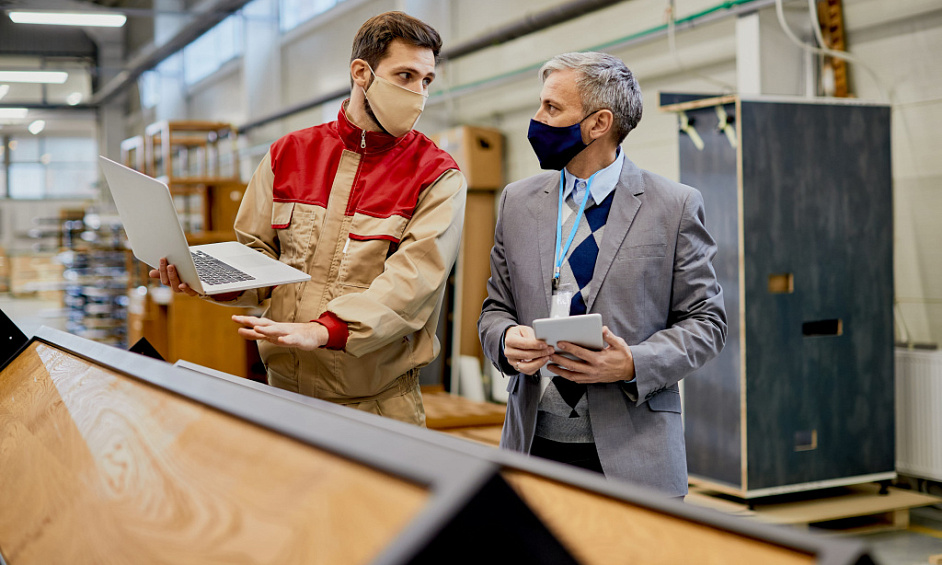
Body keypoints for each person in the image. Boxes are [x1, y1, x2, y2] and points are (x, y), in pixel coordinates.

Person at [152, 12, 467, 426]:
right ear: (361, 73)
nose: (418, 94)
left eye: (426, 80)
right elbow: (257, 254)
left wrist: (325, 331)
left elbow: (413, 284)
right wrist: (211, 281)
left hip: (376, 407)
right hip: (282, 395)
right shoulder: (289, 153)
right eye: (405, 76)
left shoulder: (436, 175)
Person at [478, 52, 726, 497]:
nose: (537, 120)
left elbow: (707, 323)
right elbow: (495, 308)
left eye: (552, 108)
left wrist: (633, 362)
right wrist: (504, 339)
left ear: (598, 124)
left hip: (635, 454)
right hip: (532, 448)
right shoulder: (518, 202)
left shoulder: (674, 206)